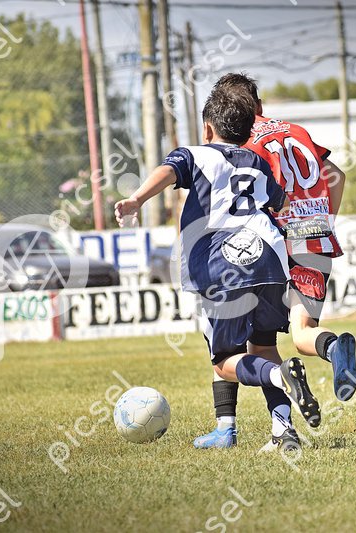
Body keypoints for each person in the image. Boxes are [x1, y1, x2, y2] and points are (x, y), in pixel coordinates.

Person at [114, 88, 322, 450]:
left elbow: (168, 171)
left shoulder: (195, 154)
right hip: (271, 260)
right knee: (264, 346)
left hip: (222, 264)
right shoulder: (256, 161)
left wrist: (136, 199)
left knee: (225, 360)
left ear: (207, 129)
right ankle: (282, 431)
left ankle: (278, 378)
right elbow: (282, 201)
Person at [192, 73, 356, 451]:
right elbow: (337, 175)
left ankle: (238, 427)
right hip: (315, 238)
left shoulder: (242, 142)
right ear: (260, 104)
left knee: (246, 344)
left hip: (272, 248)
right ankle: (332, 349)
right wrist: (323, 222)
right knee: (301, 333)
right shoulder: (296, 131)